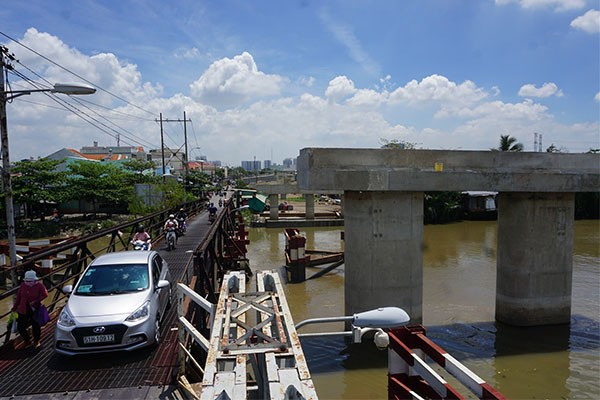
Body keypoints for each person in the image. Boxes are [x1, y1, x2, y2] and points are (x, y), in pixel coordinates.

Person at [12, 270, 48, 349]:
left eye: (30, 281)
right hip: (23, 308)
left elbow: (45, 294)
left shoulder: (39, 286)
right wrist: (15, 307)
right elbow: (19, 297)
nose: (28, 282)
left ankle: (36, 341)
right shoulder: (23, 285)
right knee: (20, 327)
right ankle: (27, 340)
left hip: (34, 309)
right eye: (26, 281)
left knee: (36, 326)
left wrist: (36, 301)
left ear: (35, 280)